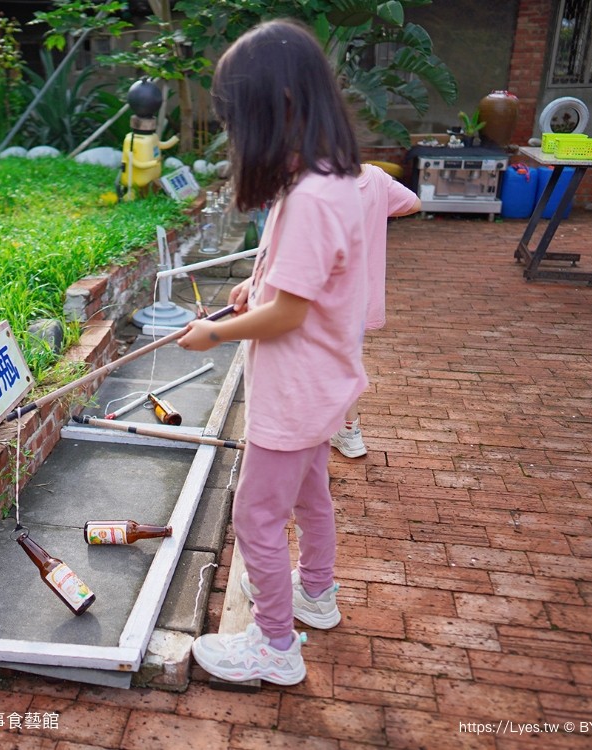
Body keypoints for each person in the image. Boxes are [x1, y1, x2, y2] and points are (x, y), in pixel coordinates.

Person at [177, 18, 367, 686]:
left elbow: (288, 315)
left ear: (278, 109)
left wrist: (214, 333)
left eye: (238, 119)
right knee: (312, 498)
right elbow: (300, 285)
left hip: (293, 393)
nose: (235, 137)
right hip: (324, 388)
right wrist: (253, 286)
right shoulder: (334, 180)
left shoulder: (309, 199)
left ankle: (274, 646)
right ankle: (317, 593)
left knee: (255, 515)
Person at [331, 164, 420, 458]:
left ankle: (345, 431)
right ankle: (345, 429)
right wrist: (377, 209)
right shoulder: (376, 177)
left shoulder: (320, 183)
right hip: (360, 294)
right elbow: (413, 203)